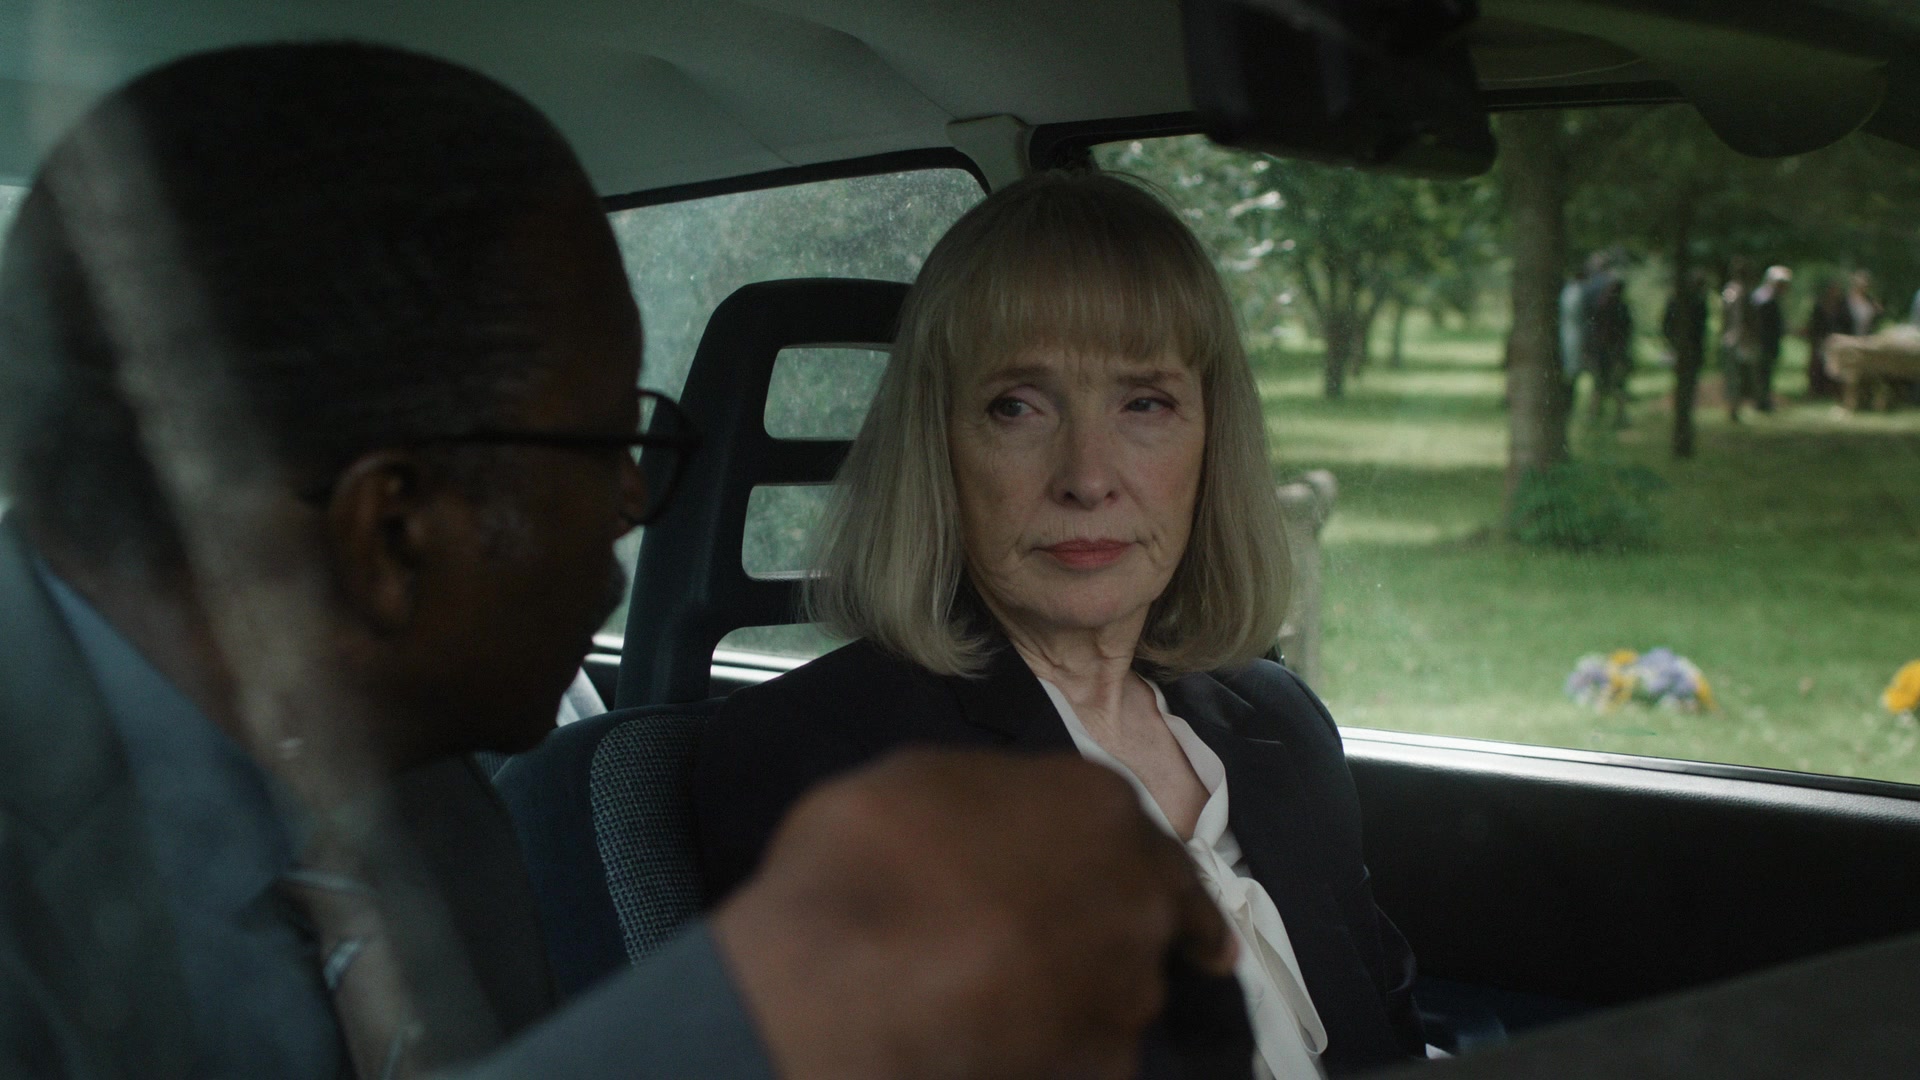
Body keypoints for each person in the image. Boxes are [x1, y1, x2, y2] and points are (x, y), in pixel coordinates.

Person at [0, 44, 1236, 1079]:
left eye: (1147, 403)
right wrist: (768, 1012)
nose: (639, 495)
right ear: (392, 531)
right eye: (605, 442)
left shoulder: (437, 820)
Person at [694, 172, 1425, 1078]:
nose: (1087, 476)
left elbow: (1394, 1038)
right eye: (1018, 406)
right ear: (938, 446)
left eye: (1144, 403)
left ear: (1212, 440)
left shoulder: (1280, 721)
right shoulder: (823, 765)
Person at [1663, 267, 1711, 457]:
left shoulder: (1676, 301)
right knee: (1686, 392)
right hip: (1689, 352)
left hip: (1684, 351)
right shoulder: (1696, 302)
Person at [1585, 275, 1635, 428]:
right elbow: (1627, 331)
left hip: (1601, 351)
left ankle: (1594, 415)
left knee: (1599, 385)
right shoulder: (1621, 308)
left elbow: (1592, 329)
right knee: (1617, 385)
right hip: (1615, 351)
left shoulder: (1601, 305)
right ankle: (1618, 415)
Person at [1748, 265, 1793, 413]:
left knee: (1766, 373)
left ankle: (1764, 401)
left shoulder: (1770, 298)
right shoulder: (1764, 299)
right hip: (1763, 342)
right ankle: (1760, 402)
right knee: (1761, 373)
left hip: (1769, 342)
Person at [1720, 258, 1756, 421]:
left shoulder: (1729, 291)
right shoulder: (1740, 292)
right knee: (1737, 376)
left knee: (1735, 376)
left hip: (1730, 338)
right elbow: (1741, 318)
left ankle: (1735, 407)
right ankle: (1734, 409)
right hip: (1738, 339)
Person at [1805, 278, 1849, 400]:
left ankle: (1833, 390)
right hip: (1821, 339)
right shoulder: (1820, 305)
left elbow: (1845, 324)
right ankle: (1816, 389)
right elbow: (1815, 324)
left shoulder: (1842, 307)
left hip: (1837, 340)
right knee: (1817, 365)